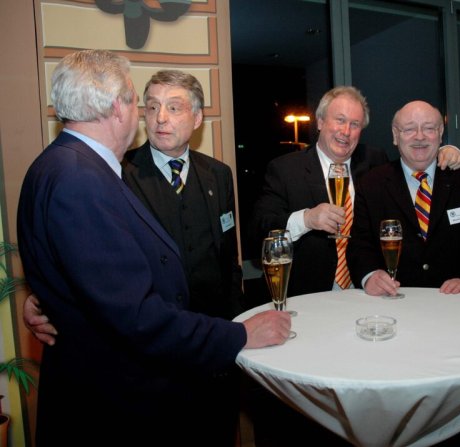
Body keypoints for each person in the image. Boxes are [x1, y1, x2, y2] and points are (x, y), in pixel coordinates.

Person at [17, 49, 291, 447]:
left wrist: (50, 297)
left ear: (197, 118)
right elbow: (132, 312)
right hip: (137, 381)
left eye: (173, 108)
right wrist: (239, 335)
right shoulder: (92, 177)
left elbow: (222, 259)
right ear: (120, 107)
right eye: (145, 104)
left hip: (200, 356)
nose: (157, 117)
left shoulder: (213, 174)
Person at [251, 86, 460, 298]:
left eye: (355, 124)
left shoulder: (374, 161)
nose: (346, 131)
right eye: (340, 120)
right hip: (308, 296)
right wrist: (306, 219)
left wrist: (444, 152)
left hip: (367, 294)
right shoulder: (285, 169)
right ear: (321, 122)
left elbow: (412, 163)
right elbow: (259, 231)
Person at [347, 100, 460, 296]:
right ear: (395, 136)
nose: (420, 136)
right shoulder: (371, 184)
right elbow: (360, 245)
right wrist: (370, 275)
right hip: (395, 300)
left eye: (429, 128)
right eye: (409, 129)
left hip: (456, 302)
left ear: (440, 133)